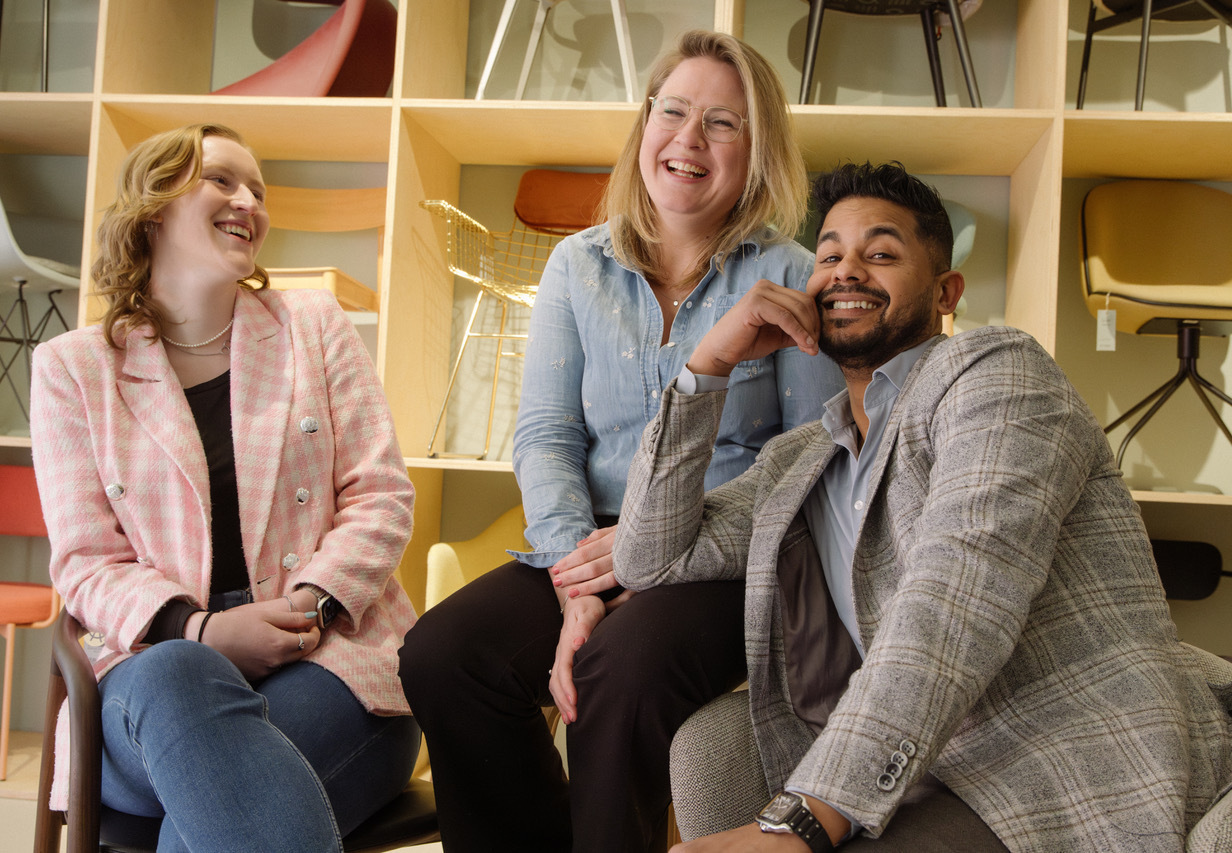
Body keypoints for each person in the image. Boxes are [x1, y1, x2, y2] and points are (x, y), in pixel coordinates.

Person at [612, 161, 1232, 852]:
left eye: (881, 253)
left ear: (946, 290)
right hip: (916, 777)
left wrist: (801, 819)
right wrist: (707, 365)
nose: (846, 270)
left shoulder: (997, 374)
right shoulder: (801, 460)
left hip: (1053, 766)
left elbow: (955, 598)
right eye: (829, 254)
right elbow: (650, 555)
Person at [397, 30, 844, 853]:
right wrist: (578, 584)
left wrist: (661, 558)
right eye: (672, 112)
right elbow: (545, 435)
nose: (688, 139)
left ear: (760, 153)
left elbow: (806, 466)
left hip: (720, 564)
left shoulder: (788, 275)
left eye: (722, 123)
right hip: (588, 544)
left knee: (621, 667)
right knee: (441, 654)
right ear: (644, 125)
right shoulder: (576, 265)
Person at [29, 123, 420, 853]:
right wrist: (199, 631)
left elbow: (381, 494)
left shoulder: (314, 325)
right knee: (182, 680)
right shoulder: (71, 370)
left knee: (206, 815)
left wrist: (304, 606)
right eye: (222, 180)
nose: (249, 200)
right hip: (153, 669)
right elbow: (85, 559)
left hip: (326, 651)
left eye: (259, 190)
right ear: (152, 208)